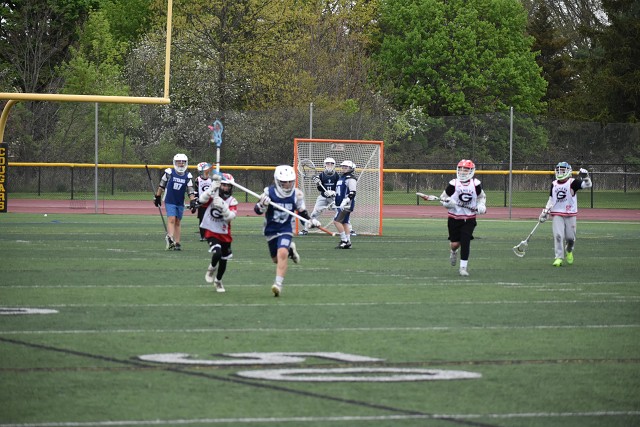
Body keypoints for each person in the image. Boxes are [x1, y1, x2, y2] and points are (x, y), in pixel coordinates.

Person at [254, 165, 321, 297]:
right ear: (277, 181)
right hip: (271, 229)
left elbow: (302, 214)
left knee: (282, 253)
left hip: (285, 228)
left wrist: (310, 222)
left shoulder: (297, 194)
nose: (288, 185)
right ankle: (291, 249)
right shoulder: (268, 192)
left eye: (290, 182)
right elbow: (257, 210)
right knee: (276, 259)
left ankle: (278, 284)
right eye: (284, 182)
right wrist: (262, 204)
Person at [538, 162, 592, 267]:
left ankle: (569, 250)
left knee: (570, 239)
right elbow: (551, 199)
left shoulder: (573, 182)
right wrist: (545, 212)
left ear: (568, 171)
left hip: (570, 214)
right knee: (558, 236)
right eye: (559, 170)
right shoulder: (554, 184)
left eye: (563, 170)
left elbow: (588, 185)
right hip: (557, 213)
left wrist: (586, 177)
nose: (560, 172)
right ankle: (558, 257)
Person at [439, 159, 487, 276]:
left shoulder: (475, 184)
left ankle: (463, 268)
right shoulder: (453, 183)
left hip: (469, 218)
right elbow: (443, 198)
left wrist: (481, 206)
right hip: (454, 218)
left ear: (471, 171)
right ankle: (453, 251)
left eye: (465, 170)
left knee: (465, 241)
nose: (462, 172)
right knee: (455, 244)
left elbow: (481, 197)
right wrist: (447, 203)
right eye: (460, 169)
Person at [198, 173, 238, 292]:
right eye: (223, 185)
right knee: (217, 253)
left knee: (224, 260)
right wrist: (211, 189)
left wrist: (223, 207)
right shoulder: (213, 196)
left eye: (228, 186)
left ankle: (218, 281)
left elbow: (230, 217)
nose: (226, 188)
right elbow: (201, 200)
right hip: (211, 230)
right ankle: (211, 268)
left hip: (224, 233)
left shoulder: (232, 201)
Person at [154, 153, 197, 251]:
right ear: (175, 163)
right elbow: (161, 185)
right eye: (179, 162)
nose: (181, 164)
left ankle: (177, 242)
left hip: (180, 201)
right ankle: (170, 239)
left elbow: (190, 190)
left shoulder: (187, 176)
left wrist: (192, 201)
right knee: (172, 219)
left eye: (183, 162)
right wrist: (158, 196)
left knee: (178, 221)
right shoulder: (169, 173)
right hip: (170, 200)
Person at [299, 157, 339, 235]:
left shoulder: (337, 176)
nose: (329, 165)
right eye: (328, 164)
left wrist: (333, 192)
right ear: (324, 165)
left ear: (334, 165)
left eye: (331, 164)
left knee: (341, 212)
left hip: (333, 198)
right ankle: (305, 229)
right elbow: (320, 189)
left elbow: (339, 188)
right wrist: (318, 183)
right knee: (314, 213)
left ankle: (349, 229)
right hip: (323, 197)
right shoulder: (321, 175)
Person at [333, 160, 357, 249]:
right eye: (343, 167)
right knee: (345, 222)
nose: (343, 168)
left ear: (351, 168)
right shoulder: (341, 177)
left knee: (336, 221)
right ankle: (348, 242)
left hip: (347, 204)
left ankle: (344, 241)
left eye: (346, 167)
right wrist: (335, 200)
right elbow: (340, 191)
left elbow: (352, 192)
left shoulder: (350, 178)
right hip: (341, 203)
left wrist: (346, 200)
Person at [194, 162, 213, 241]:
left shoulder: (211, 179)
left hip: (210, 203)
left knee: (211, 219)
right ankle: (203, 235)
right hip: (201, 204)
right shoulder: (197, 180)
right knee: (202, 219)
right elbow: (196, 192)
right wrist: (195, 201)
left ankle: (210, 235)